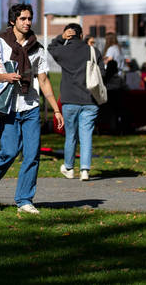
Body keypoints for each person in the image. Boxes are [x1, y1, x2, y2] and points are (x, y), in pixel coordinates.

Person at [0, 4, 61, 215]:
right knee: (9, 151)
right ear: (12, 21)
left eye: (29, 18)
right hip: (8, 106)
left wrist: (56, 110)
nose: (27, 22)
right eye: (23, 18)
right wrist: (5, 77)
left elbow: (43, 80)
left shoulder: (38, 48)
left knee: (32, 154)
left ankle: (24, 199)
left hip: (31, 106)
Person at [48, 23, 102, 180]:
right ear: (81, 35)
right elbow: (102, 72)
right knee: (86, 135)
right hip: (90, 99)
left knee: (70, 135)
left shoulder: (63, 51)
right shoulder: (93, 51)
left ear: (68, 36)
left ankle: (69, 167)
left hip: (69, 99)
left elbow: (51, 47)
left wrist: (61, 37)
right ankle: (85, 169)